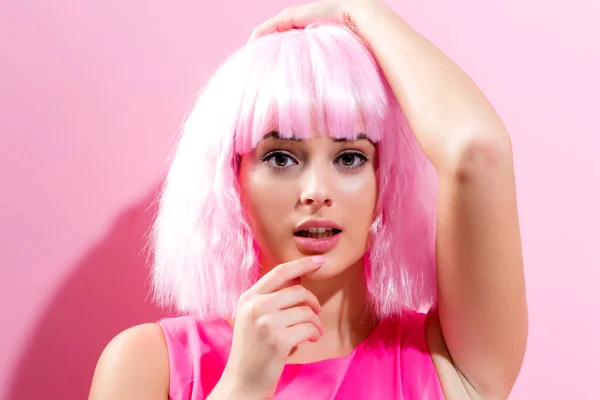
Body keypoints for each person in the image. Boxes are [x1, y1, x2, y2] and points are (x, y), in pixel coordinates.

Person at [89, 0, 528, 399]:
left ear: (383, 181)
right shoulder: (147, 366)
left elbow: (476, 149)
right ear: (231, 177)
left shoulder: (447, 361)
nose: (317, 191)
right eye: (281, 158)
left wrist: (360, 13)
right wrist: (241, 387)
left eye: (351, 157)